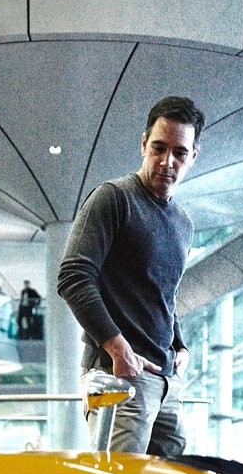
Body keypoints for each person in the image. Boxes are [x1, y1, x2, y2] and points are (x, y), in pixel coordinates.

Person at [57, 95, 205, 455]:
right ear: (143, 144)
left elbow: (162, 295)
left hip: (166, 380)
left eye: (179, 153)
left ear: (193, 156)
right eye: (158, 148)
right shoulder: (113, 198)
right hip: (119, 374)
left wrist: (180, 344)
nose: (167, 161)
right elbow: (73, 276)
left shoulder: (183, 223)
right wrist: (118, 349)